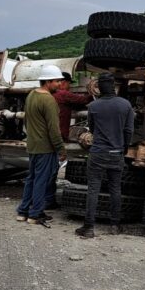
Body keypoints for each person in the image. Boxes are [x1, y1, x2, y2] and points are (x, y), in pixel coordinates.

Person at [75, 72, 134, 238]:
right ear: (113, 86)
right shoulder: (125, 105)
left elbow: (92, 130)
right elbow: (129, 130)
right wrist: (124, 147)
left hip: (98, 153)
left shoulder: (94, 107)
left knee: (93, 189)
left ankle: (88, 228)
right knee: (115, 188)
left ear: (99, 88)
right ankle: (115, 225)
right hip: (117, 153)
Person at [15, 64, 68, 227]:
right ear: (48, 82)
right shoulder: (49, 100)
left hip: (33, 145)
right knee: (41, 181)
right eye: (57, 81)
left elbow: (27, 120)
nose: (60, 84)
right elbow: (54, 129)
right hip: (45, 147)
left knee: (31, 178)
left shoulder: (31, 95)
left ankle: (23, 211)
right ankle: (35, 213)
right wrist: (61, 148)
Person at [45, 72, 92, 209]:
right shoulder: (62, 94)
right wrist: (95, 90)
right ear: (63, 82)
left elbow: (74, 105)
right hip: (56, 138)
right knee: (51, 171)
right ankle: (47, 201)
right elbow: (83, 100)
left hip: (43, 136)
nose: (70, 87)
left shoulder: (46, 95)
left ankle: (39, 200)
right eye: (70, 84)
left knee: (43, 171)